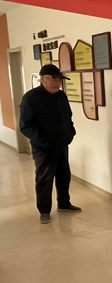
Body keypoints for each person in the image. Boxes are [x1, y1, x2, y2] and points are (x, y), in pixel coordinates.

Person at [19, 64, 81, 224]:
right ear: (44, 79)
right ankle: (44, 210)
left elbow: (68, 116)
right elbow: (26, 126)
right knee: (44, 179)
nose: (59, 83)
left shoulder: (61, 96)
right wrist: (43, 140)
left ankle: (64, 204)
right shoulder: (31, 98)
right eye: (55, 79)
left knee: (64, 176)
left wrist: (70, 133)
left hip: (62, 145)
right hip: (43, 148)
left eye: (60, 80)